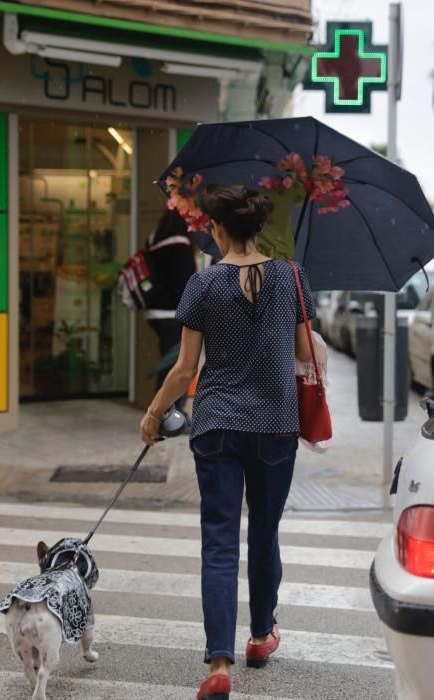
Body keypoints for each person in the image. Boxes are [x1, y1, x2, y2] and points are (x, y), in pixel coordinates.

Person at [140, 186, 315, 700]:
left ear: (216, 229)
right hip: (277, 424)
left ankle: (219, 665)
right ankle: (261, 636)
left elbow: (184, 370)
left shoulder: (204, 284)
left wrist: (153, 416)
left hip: (217, 424)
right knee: (265, 531)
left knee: (219, 542)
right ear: (258, 227)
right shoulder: (292, 277)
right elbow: (306, 350)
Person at [145, 209, 196, 416]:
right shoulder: (179, 245)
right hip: (173, 313)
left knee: (169, 365)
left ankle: (164, 411)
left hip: (156, 312)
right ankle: (168, 414)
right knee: (176, 367)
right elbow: (185, 283)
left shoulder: (155, 239)